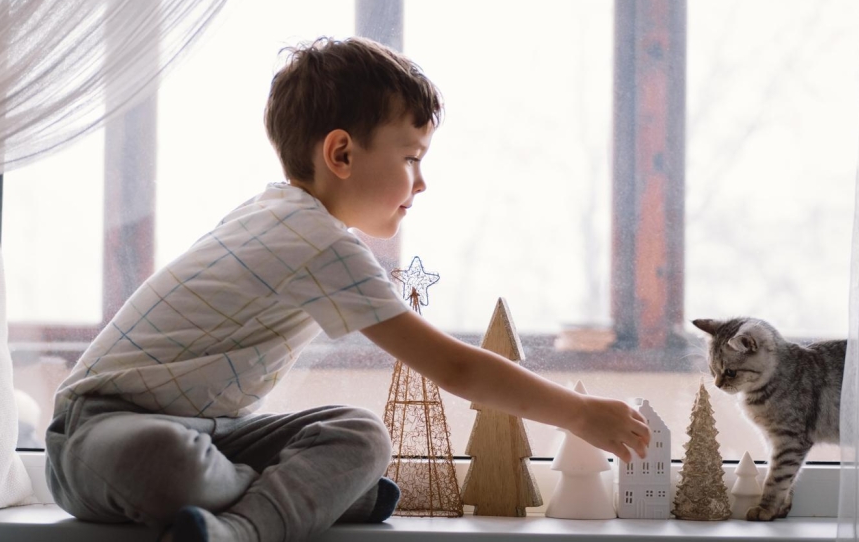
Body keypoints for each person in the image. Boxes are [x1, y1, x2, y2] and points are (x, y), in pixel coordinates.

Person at [45, 37, 651, 542]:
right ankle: (258, 525)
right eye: (412, 157)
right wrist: (576, 412)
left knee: (360, 433)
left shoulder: (279, 214)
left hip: (209, 433)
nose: (422, 181)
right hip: (98, 436)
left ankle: (292, 502)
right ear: (340, 153)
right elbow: (455, 369)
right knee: (163, 460)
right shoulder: (314, 238)